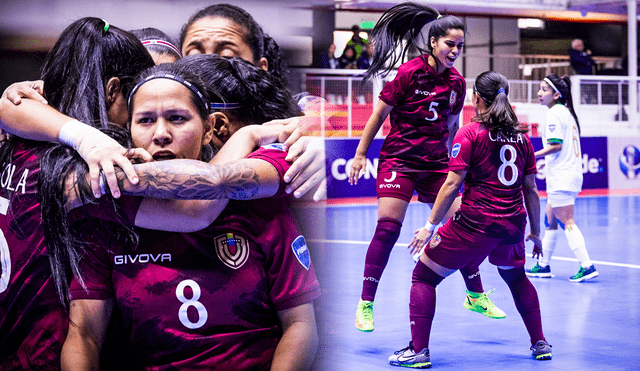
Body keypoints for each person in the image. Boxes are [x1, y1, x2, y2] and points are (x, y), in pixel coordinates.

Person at [60, 62, 320, 371]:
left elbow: (300, 326)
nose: (161, 134)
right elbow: (83, 334)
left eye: (177, 118)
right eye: (145, 121)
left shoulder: (258, 202)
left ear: (210, 128)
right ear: (128, 130)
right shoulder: (108, 217)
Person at [348, 2, 504, 333]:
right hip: (400, 160)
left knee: (465, 225)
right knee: (388, 229)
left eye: (460, 46)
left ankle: (475, 295)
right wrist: (361, 154)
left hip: (435, 164)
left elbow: (449, 127)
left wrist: (453, 165)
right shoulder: (408, 73)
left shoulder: (458, 84)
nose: (455, 51)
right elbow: (378, 115)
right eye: (450, 44)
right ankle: (366, 302)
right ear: (433, 42)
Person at [389, 71, 550, 368]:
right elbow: (531, 190)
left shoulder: (470, 132)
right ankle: (540, 343)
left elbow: (451, 185)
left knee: (423, 276)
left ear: (476, 98)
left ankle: (419, 351)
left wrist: (429, 227)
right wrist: (537, 233)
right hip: (513, 224)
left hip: (476, 223)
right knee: (516, 277)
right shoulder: (522, 138)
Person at [526, 74, 598, 282]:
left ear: (557, 94)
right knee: (551, 221)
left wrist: (531, 155)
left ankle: (586, 265)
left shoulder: (555, 113)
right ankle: (543, 264)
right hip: (569, 176)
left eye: (544, 90)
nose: (540, 93)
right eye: (539, 89)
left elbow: (555, 146)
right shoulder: (566, 112)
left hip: (562, 177)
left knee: (567, 221)